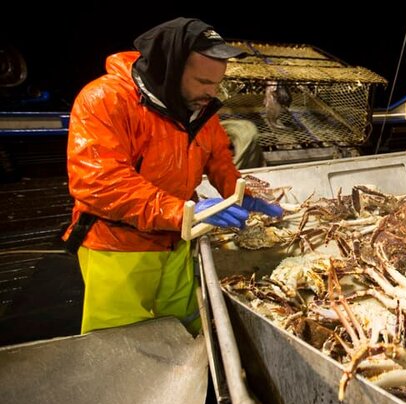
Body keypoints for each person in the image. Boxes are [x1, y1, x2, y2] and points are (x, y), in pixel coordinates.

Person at [63, 17, 282, 335]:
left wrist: (241, 193)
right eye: (203, 82)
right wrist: (183, 212)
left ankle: (194, 381)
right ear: (168, 69)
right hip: (119, 247)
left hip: (176, 240)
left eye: (217, 83)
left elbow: (218, 156)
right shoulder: (105, 100)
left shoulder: (197, 107)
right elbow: (99, 182)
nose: (212, 92)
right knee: (120, 345)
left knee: (186, 326)